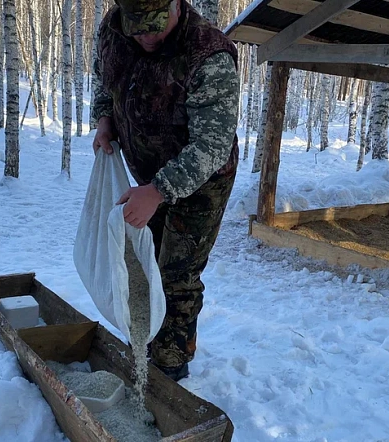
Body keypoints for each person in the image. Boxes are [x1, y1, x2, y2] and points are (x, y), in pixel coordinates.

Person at [90, 0, 239, 381]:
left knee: (176, 272)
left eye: (156, 25)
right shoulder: (115, 30)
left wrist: (158, 192)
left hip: (203, 178)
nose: (148, 36)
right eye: (138, 27)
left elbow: (212, 146)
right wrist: (105, 118)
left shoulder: (208, 53)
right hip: (148, 172)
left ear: (177, 5)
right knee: (143, 260)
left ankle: (170, 365)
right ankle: (144, 341)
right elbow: (104, 79)